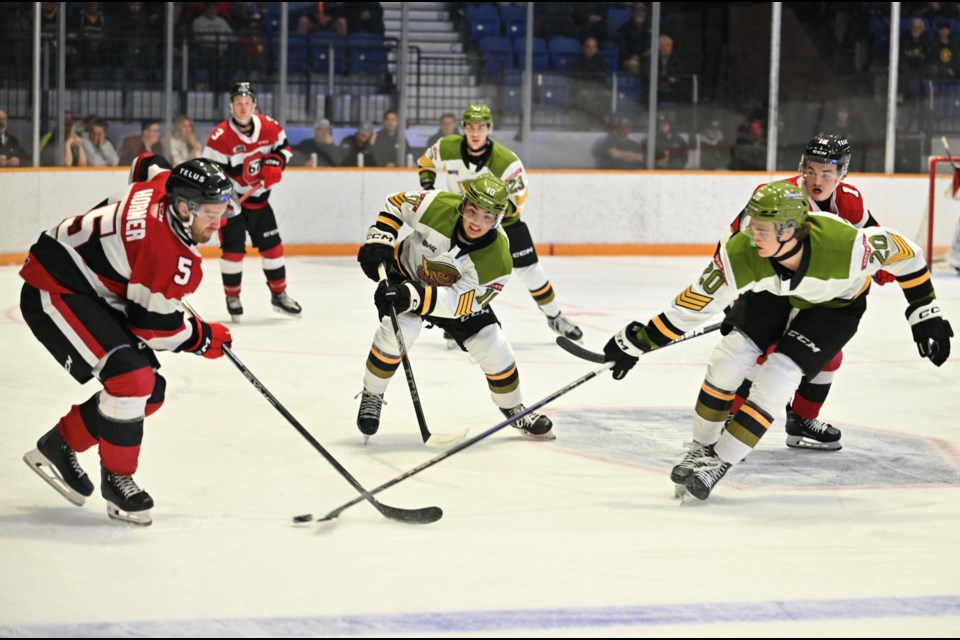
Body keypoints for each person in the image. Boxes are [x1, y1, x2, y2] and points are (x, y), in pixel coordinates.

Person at [602, 181, 952, 500]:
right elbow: (693, 305)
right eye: (752, 225)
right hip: (775, 294)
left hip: (835, 306)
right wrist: (638, 342)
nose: (751, 235)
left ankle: (719, 463)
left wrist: (925, 311)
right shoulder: (743, 251)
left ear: (790, 230)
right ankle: (700, 449)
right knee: (728, 358)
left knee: (778, 376)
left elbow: (907, 253)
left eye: (761, 229)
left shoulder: (845, 246)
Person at [19, 158, 236, 525]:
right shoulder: (168, 255)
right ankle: (118, 480)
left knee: (148, 391)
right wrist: (202, 337)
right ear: (183, 208)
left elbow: (146, 165)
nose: (220, 223)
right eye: (210, 214)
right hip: (54, 287)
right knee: (132, 379)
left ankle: (60, 444)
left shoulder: (165, 184)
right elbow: (154, 329)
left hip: (86, 282)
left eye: (222, 210)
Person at [354, 174, 555, 441]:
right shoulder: (437, 205)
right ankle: (372, 393)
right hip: (405, 275)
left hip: (451, 298)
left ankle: (514, 408)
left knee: (493, 344)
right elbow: (396, 202)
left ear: (496, 219)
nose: (476, 222)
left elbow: (457, 303)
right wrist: (379, 240)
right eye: (472, 211)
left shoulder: (498, 259)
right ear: (463, 205)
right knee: (395, 332)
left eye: (487, 216)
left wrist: (411, 296)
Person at [726, 133, 886, 452]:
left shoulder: (851, 199)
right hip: (771, 287)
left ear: (842, 174)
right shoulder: (775, 195)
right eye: (811, 170)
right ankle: (728, 422)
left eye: (827, 173)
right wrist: (736, 293)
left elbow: (872, 235)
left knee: (828, 354)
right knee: (765, 352)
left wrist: (883, 264)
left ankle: (801, 419)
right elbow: (737, 239)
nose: (817, 179)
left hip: (817, 292)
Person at [417, 104, 583, 344]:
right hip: (464, 223)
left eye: (481, 127)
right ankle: (455, 320)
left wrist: (490, 215)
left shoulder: (507, 163)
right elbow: (426, 163)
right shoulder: (446, 147)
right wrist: (428, 189)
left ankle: (555, 317)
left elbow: (518, 200)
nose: (475, 133)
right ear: (463, 127)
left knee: (531, 272)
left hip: (506, 223)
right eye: (471, 127)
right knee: (453, 272)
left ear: (489, 129)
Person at [202, 82, 302, 321]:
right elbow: (211, 172)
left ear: (254, 105)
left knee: (273, 250)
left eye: (247, 102)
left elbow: (285, 150)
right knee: (233, 253)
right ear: (231, 105)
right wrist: (223, 198)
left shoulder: (270, 127)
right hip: (231, 206)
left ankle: (279, 295)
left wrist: (275, 162)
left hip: (260, 203)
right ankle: (232, 296)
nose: (243, 106)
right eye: (238, 102)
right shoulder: (220, 137)